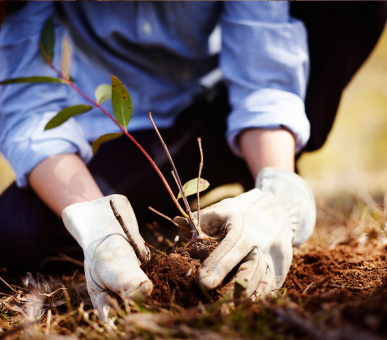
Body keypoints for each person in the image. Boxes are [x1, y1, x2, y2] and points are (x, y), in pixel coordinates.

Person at [0, 1, 384, 319]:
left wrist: (279, 191)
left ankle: (258, 174)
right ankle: (146, 231)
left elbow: (262, 76)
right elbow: (30, 113)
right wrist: (97, 225)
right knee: (17, 227)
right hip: (134, 133)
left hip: (225, 102)